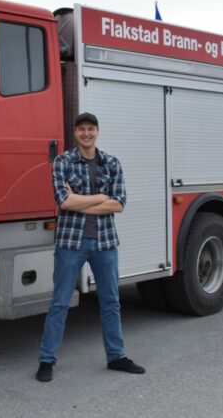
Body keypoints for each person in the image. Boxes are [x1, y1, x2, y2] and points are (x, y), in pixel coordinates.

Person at [36, 112, 145, 382]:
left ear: (97, 132)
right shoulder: (62, 162)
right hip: (70, 243)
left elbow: (119, 204)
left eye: (91, 129)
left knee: (110, 302)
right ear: (75, 133)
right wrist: (99, 197)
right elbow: (64, 202)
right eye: (81, 129)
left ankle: (116, 357)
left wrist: (80, 199)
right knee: (60, 302)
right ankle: (46, 360)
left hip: (105, 243)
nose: (86, 133)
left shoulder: (111, 163)